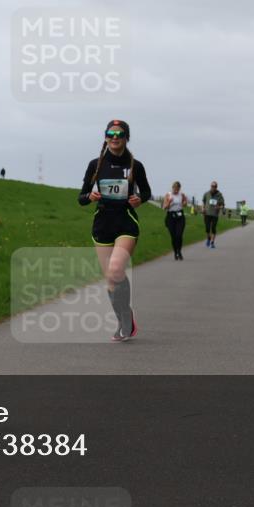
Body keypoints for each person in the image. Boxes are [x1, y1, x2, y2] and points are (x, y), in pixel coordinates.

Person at [78, 120, 151, 342]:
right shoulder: (95, 165)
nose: (115, 137)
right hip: (103, 223)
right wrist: (89, 197)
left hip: (126, 221)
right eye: (111, 133)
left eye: (120, 134)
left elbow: (146, 192)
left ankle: (125, 321)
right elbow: (81, 197)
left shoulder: (135, 165)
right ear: (106, 137)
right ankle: (124, 319)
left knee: (117, 268)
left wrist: (140, 199)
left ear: (126, 137)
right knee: (111, 278)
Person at [162, 181, 189, 260]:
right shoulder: (168, 195)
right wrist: (169, 202)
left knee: (179, 235)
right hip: (170, 217)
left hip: (180, 216)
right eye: (174, 188)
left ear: (179, 188)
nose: (176, 190)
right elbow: (164, 207)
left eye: (177, 189)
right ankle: (175, 252)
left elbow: (185, 204)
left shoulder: (182, 195)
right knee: (173, 236)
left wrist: (184, 202)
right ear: (172, 188)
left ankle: (179, 251)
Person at [202, 181, 225, 248]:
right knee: (207, 228)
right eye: (212, 186)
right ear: (210, 186)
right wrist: (203, 208)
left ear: (216, 187)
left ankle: (212, 242)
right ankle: (208, 238)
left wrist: (219, 207)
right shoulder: (206, 194)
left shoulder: (219, 195)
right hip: (207, 213)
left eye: (214, 186)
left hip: (215, 214)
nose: (213, 188)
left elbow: (222, 205)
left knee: (213, 228)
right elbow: (203, 202)